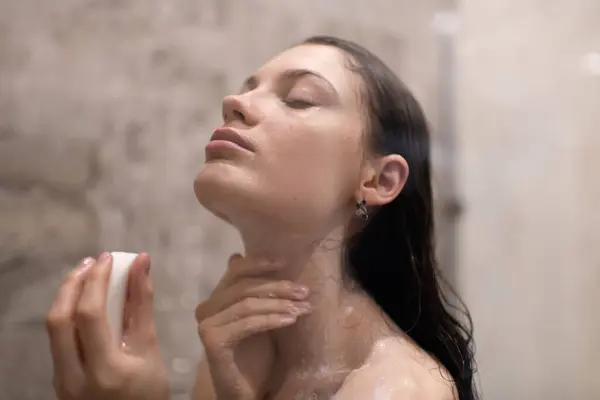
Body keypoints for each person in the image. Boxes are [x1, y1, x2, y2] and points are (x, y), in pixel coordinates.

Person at [46, 36, 477, 400]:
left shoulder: (395, 388)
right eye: (247, 89)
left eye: (298, 99)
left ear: (379, 179)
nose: (235, 102)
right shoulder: (239, 352)